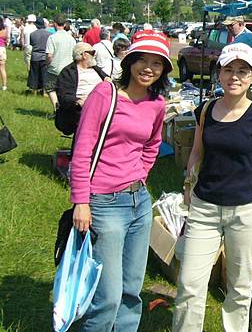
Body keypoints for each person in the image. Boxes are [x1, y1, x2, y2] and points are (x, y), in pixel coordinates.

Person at [173, 42, 252, 331]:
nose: (234, 76)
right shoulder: (206, 110)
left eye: (242, 71)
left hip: (245, 213)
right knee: (190, 283)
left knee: (239, 286)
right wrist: (189, 180)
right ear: (219, 74)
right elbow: (197, 153)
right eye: (228, 70)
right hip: (204, 209)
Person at [71, 32, 171, 331]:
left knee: (131, 289)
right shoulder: (105, 94)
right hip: (104, 202)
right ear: (129, 62)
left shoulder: (157, 103)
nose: (148, 68)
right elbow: (82, 148)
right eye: (142, 59)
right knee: (109, 296)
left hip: (139, 201)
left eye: (157, 63)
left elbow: (152, 144)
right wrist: (81, 201)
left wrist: (140, 174)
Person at [55, 42, 110, 135]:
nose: (94, 56)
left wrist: (109, 80)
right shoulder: (68, 72)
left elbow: (109, 82)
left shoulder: (96, 69)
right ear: (84, 55)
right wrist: (78, 101)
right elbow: (64, 95)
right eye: (92, 53)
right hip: (82, 109)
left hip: (103, 105)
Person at [222, 16, 252, 98]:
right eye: (227, 26)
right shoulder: (245, 36)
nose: (228, 28)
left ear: (240, 24)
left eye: (231, 25)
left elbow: (228, 49)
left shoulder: (246, 37)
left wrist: (209, 42)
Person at [46, 15, 76, 110]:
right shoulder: (71, 39)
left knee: (50, 88)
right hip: (68, 68)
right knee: (64, 90)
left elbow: (49, 55)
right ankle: (64, 109)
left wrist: (48, 65)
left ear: (55, 24)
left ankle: (56, 108)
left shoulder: (52, 38)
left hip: (55, 68)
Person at [27, 17, 50, 93]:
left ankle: (33, 90)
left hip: (35, 56)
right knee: (44, 74)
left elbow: (32, 44)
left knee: (34, 74)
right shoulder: (49, 34)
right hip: (44, 56)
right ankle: (44, 90)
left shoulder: (32, 34)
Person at [0, 21, 7, 90]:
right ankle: (4, 86)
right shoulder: (4, 30)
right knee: (2, 68)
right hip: (2, 48)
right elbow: (6, 39)